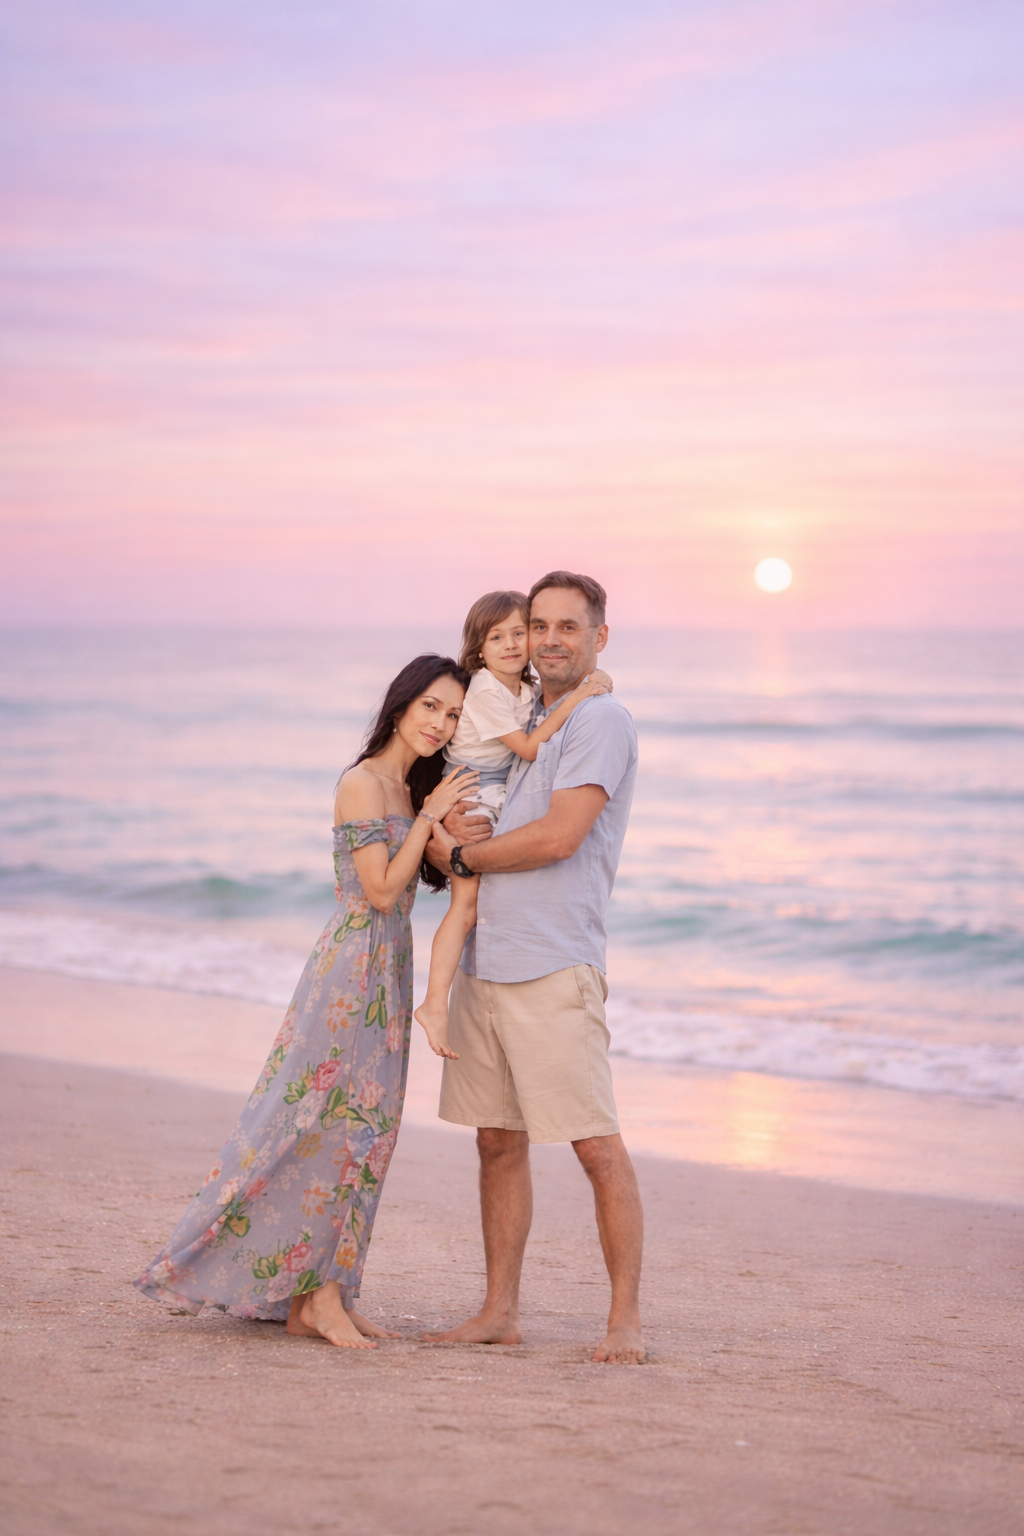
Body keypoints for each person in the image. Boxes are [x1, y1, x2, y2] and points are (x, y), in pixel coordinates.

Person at [134, 655, 479, 1349]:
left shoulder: (412, 790)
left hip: (390, 971)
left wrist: (455, 827)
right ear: (402, 703)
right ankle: (313, 1297)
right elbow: (381, 893)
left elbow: (448, 869)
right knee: (324, 1125)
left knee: (370, 1132)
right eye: (432, 707)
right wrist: (428, 818)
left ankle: (327, 1294)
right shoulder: (361, 783)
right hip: (350, 972)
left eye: (454, 716)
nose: (440, 725)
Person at [424, 571, 645, 1364]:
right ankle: (499, 1312)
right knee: (497, 1141)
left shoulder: (600, 721)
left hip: (553, 964)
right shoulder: (529, 712)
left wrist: (465, 855)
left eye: (567, 627)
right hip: (490, 960)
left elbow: (560, 837)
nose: (550, 638)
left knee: (593, 1144)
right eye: (539, 624)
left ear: (598, 638)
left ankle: (623, 1323)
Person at [414, 589, 611, 1059]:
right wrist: (582, 693)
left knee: (477, 895)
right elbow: (527, 747)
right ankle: (432, 1003)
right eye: (495, 636)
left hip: (493, 786)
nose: (510, 643)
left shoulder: (522, 690)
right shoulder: (483, 688)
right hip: (473, 787)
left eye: (519, 632)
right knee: (465, 903)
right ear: (478, 648)